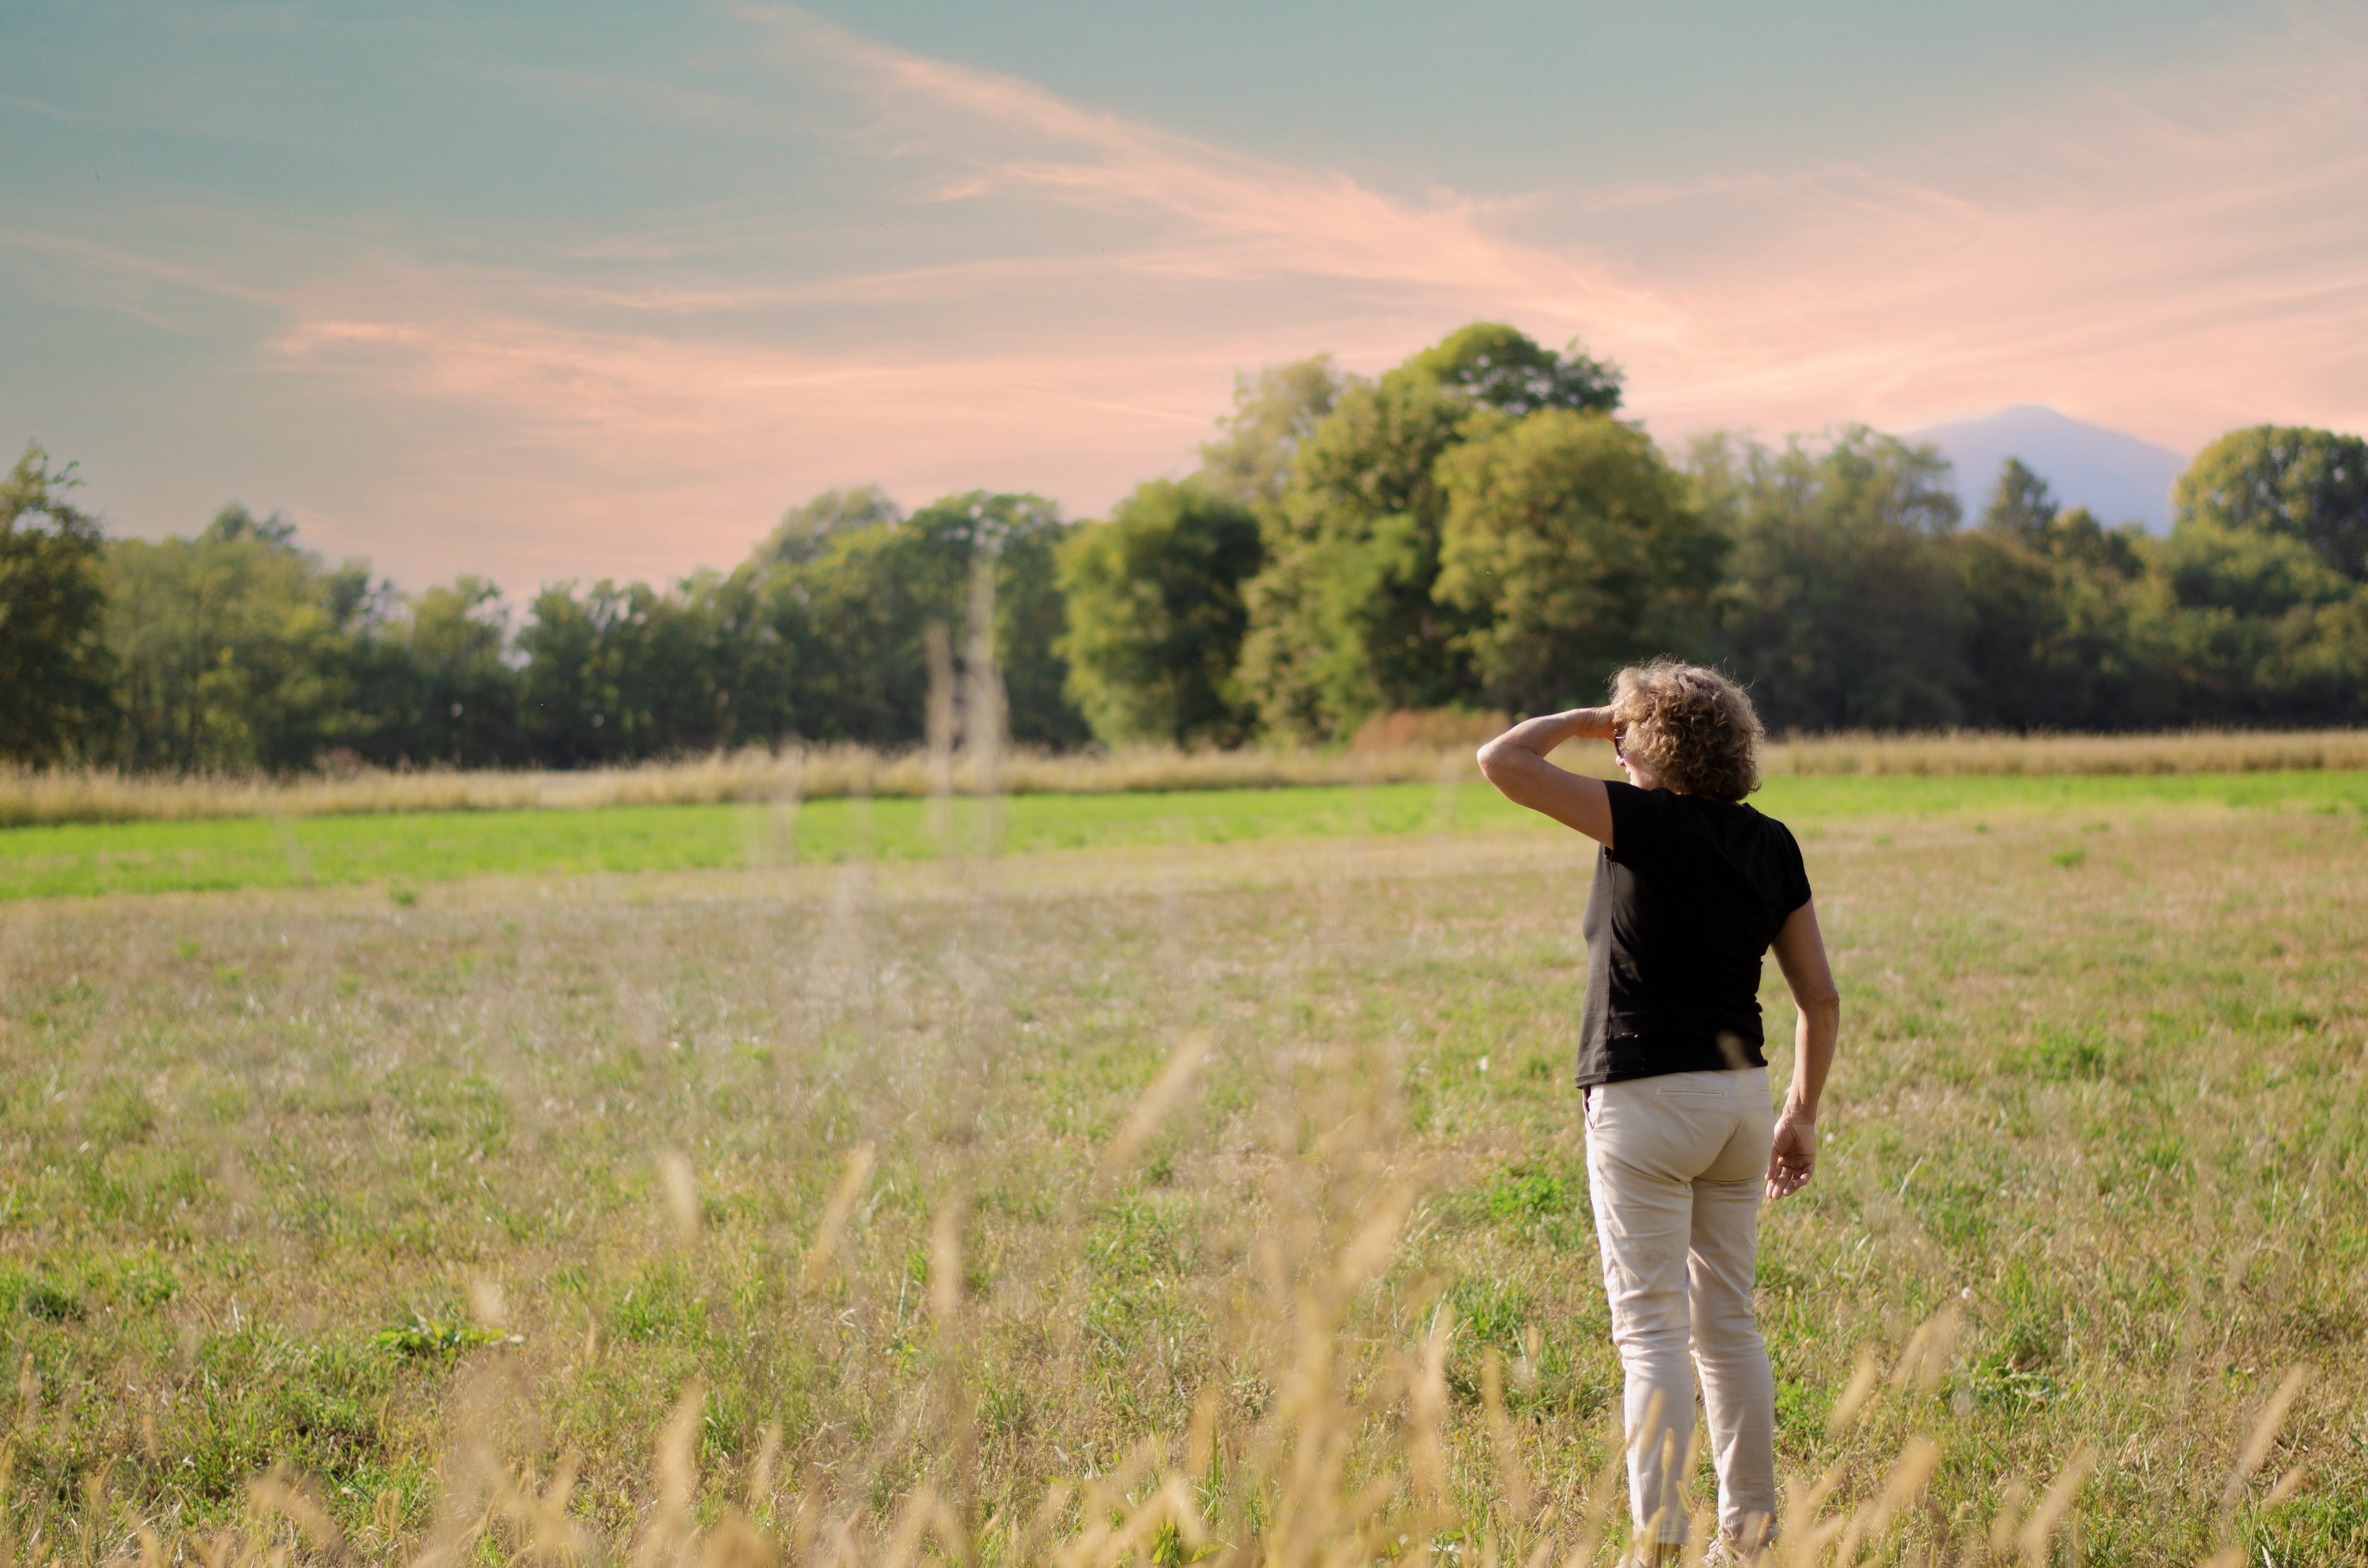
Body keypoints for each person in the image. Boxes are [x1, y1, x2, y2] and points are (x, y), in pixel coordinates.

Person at [1475, 660, 1838, 1563]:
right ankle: (1748, 1542)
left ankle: (1661, 1548)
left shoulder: (1642, 819)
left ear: (1650, 741)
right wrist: (1803, 1115)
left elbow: (1501, 759)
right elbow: (1819, 999)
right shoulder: (1772, 843)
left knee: (1650, 1340)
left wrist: (1595, 715)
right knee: (1730, 1328)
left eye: (1632, 733)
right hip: (1740, 1105)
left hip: (1643, 1102)